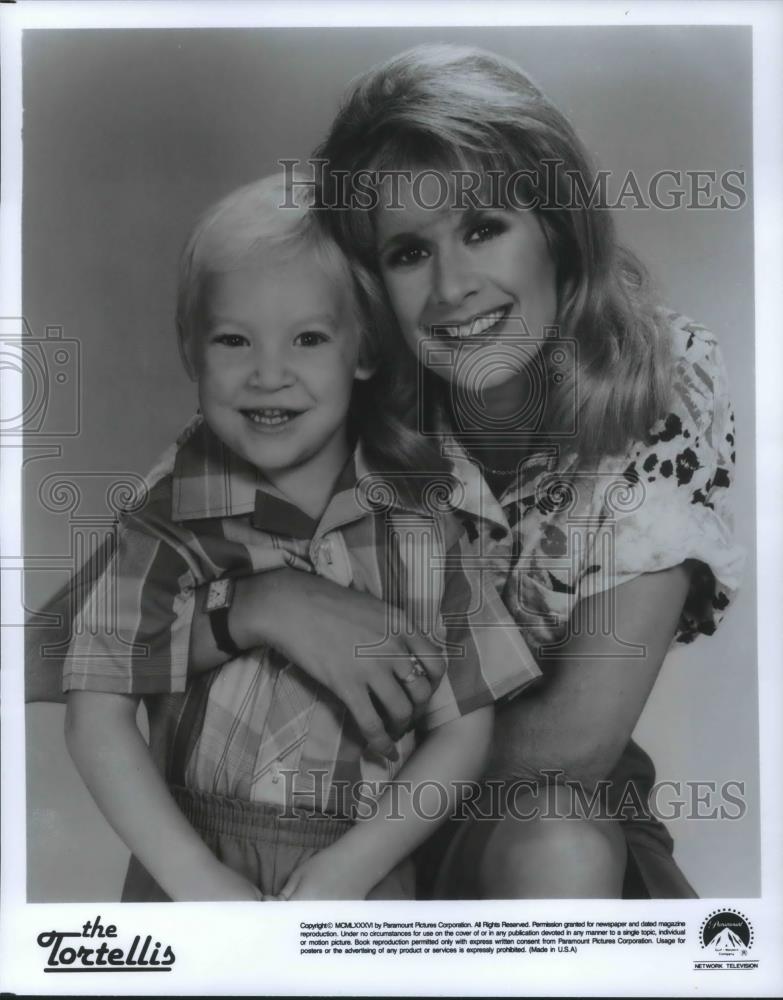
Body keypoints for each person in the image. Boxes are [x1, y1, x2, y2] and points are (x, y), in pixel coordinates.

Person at [60, 172, 541, 902]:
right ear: (192, 352)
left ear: (364, 352)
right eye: (233, 340)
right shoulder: (164, 520)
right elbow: (95, 718)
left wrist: (352, 867)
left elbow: (462, 731)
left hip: (362, 871)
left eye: (309, 338)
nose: (269, 375)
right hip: (191, 859)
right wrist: (194, 880)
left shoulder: (425, 520)